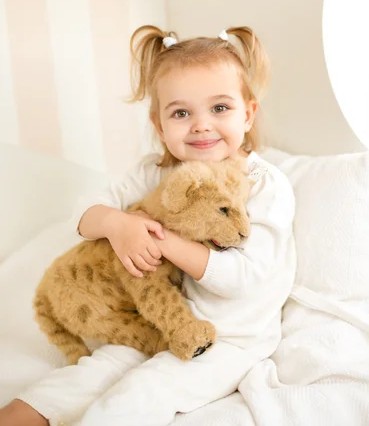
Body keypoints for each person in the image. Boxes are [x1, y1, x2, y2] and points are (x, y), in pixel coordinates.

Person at [0, 26, 296, 426]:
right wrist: (118, 224)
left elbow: (247, 278)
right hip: (158, 322)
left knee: (137, 395)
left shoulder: (263, 185)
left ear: (248, 113)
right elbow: (82, 212)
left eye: (220, 108)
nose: (201, 125)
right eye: (181, 113)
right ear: (160, 127)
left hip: (228, 339)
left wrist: (164, 241)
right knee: (78, 381)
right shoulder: (155, 172)